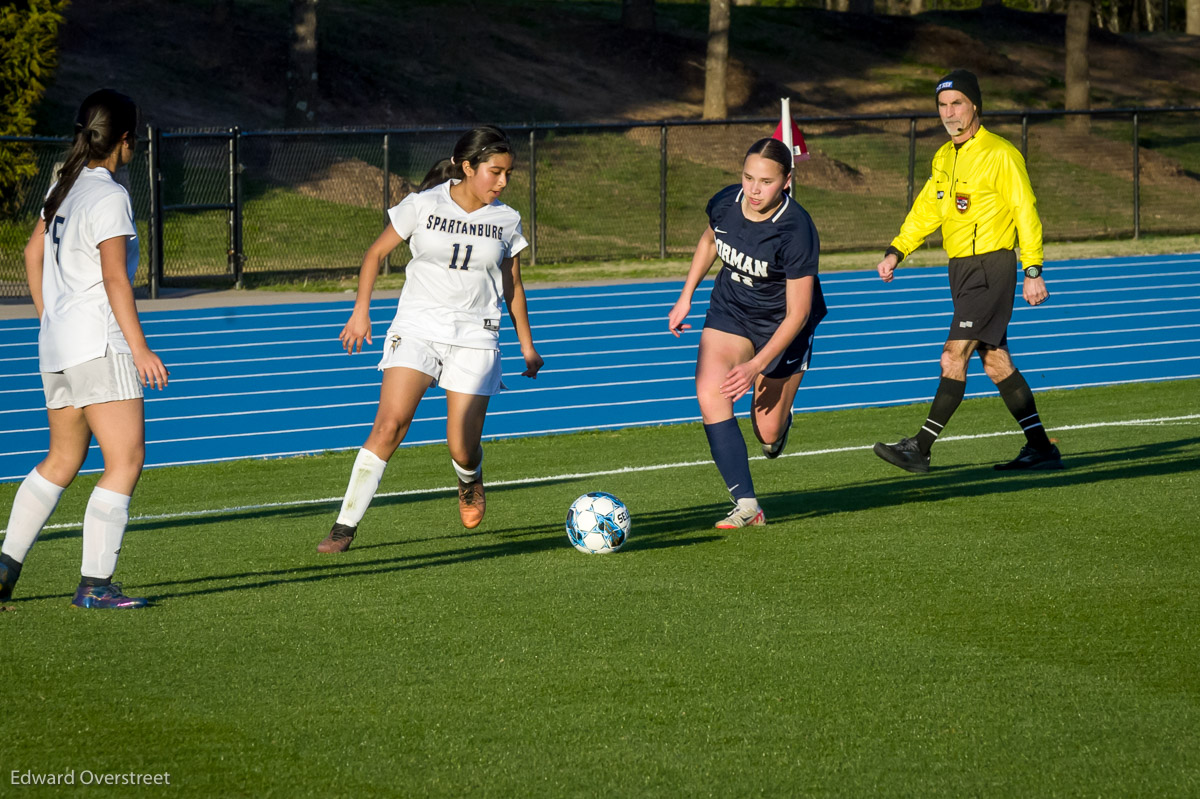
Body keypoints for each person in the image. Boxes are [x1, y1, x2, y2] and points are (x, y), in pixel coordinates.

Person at [316, 126, 543, 553]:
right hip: (418, 327)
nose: (503, 182)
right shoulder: (422, 205)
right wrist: (360, 312)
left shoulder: (506, 219)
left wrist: (527, 345)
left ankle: (469, 480)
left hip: (477, 334)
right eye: (495, 172)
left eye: (508, 174)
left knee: (461, 444)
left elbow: (512, 285)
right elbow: (375, 254)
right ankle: (344, 526)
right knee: (389, 425)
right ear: (467, 166)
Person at [0, 90, 168, 609]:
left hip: (57, 344)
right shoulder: (109, 194)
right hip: (100, 342)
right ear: (124, 139)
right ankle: (95, 584)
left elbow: (31, 253)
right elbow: (115, 278)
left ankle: (4, 569)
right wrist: (140, 349)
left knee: (61, 459)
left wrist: (52, 317)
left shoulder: (63, 185)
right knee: (126, 460)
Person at [873, 70, 1062, 474]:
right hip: (960, 269)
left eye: (956, 103)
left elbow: (1024, 211)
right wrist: (897, 250)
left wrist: (1033, 268)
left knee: (951, 355)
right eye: (942, 105)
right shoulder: (944, 156)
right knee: (996, 362)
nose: (948, 112)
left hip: (991, 265)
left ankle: (920, 447)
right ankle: (1041, 449)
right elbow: (927, 209)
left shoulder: (1000, 153)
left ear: (974, 105)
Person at [667, 137, 827, 529]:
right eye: (748, 177)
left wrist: (757, 365)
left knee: (767, 431)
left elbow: (799, 311)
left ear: (786, 181)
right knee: (711, 392)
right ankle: (747, 506)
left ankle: (780, 423)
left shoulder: (796, 229)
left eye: (766, 182)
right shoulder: (726, 202)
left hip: (781, 326)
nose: (754, 190)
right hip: (730, 312)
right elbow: (710, 240)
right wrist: (685, 296)